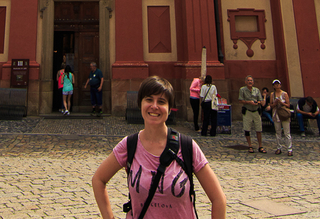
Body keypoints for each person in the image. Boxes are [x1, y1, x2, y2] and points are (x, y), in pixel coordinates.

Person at [92, 76, 226, 218]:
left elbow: (219, 199)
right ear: (140, 104)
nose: (154, 106)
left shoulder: (186, 146)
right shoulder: (129, 145)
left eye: (161, 102)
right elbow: (98, 179)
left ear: (169, 109)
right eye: (149, 99)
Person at [238, 75, 265, 153]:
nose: (250, 82)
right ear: (246, 82)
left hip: (256, 111)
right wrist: (248, 102)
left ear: (253, 82)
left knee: (259, 129)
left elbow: (261, 101)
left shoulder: (256, 90)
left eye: (251, 80)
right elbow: (240, 100)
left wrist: (258, 103)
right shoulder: (242, 90)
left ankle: (260, 146)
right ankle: (250, 146)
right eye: (248, 80)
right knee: (247, 129)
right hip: (247, 111)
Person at [269, 79, 292, 156]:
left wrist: (282, 103)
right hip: (276, 114)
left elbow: (288, 105)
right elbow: (271, 105)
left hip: (284, 113)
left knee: (287, 132)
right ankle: (279, 147)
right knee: (278, 132)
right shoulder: (272, 94)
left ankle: (289, 148)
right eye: (275, 84)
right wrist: (275, 103)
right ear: (273, 86)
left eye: (278, 84)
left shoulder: (284, 94)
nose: (277, 85)